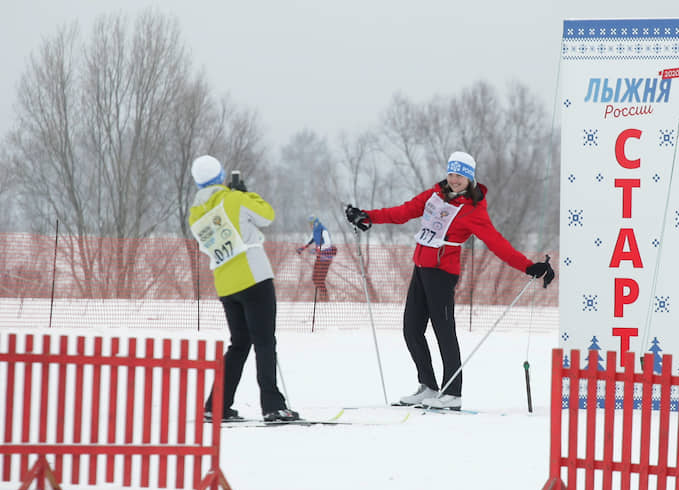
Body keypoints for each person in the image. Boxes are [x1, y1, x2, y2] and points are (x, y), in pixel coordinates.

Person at [345, 151, 555, 410]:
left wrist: (528, 266)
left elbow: (497, 243)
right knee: (411, 329)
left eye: (461, 176)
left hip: (443, 273)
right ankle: (429, 387)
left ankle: (453, 393)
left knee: (444, 332)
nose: (455, 180)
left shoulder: (473, 210)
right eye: (452, 174)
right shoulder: (434, 196)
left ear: (470, 178)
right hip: (421, 268)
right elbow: (403, 212)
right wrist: (367, 216)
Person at [188, 155, 300, 423]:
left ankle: (216, 405)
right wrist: (245, 194)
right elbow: (267, 216)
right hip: (254, 277)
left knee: (239, 345)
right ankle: (273, 406)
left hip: (226, 284)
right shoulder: (234, 199)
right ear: (221, 175)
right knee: (264, 342)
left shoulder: (195, 212)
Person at [296, 214, 337, 301]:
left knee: (320, 279)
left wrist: (317, 249)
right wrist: (302, 248)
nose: (310, 226)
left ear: (316, 223)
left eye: (311, 224)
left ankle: (325, 298)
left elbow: (328, 244)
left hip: (326, 258)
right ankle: (322, 297)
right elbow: (309, 240)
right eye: (309, 224)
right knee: (315, 278)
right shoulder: (315, 231)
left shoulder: (323, 231)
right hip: (319, 257)